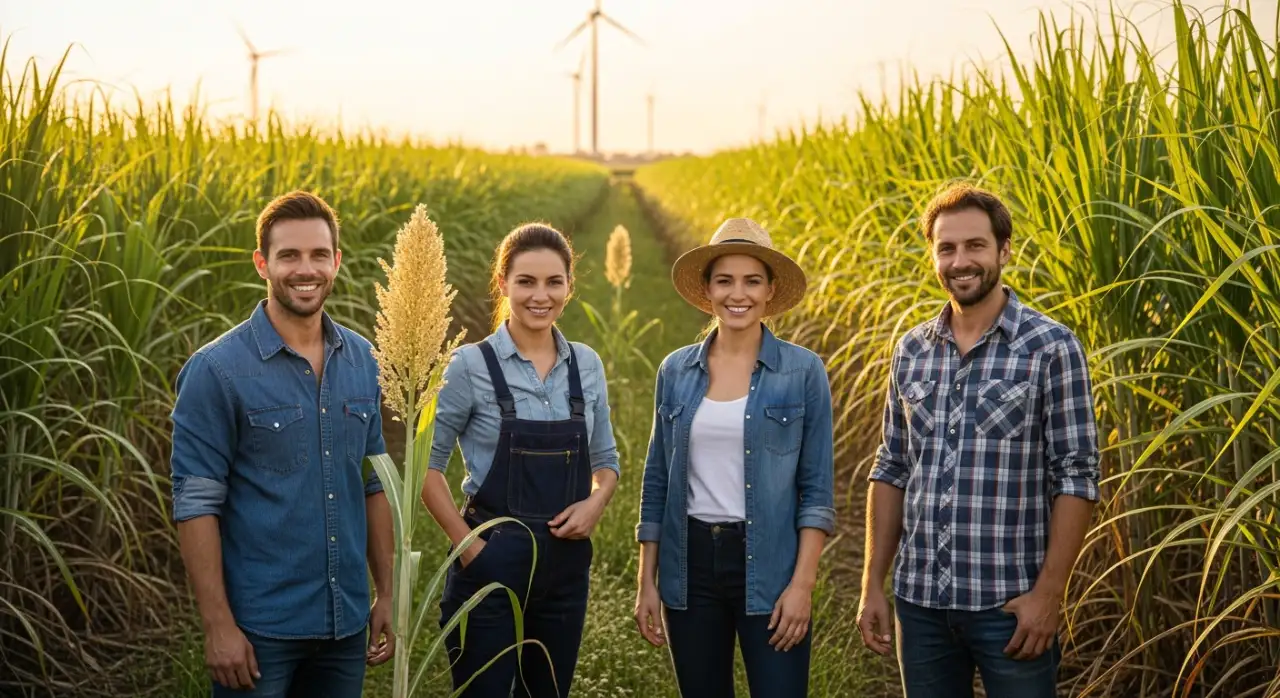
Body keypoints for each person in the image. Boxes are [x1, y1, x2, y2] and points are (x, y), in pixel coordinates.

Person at [856, 183, 1101, 697]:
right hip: (920, 606)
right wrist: (872, 585)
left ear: (1004, 251)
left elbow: (1076, 477)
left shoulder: (1051, 347)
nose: (960, 261)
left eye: (975, 246)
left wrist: (1049, 596)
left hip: (1009, 608)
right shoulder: (912, 350)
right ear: (933, 256)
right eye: (946, 248)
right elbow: (892, 467)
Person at [169, 190, 396, 697]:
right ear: (262, 263)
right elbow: (196, 504)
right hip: (260, 630)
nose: (305, 269)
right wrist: (218, 626)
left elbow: (374, 484)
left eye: (318, 254)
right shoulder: (216, 370)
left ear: (336, 261)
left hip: (346, 622)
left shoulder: (363, 358)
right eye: (288, 255)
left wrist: (386, 594)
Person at [633, 217, 836, 697]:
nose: (737, 293)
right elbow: (657, 478)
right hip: (691, 565)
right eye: (724, 280)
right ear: (707, 290)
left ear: (769, 291)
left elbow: (817, 490)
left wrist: (802, 586)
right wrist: (647, 579)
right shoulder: (675, 371)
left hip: (772, 565)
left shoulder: (803, 372)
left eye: (751, 281)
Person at [420, 222, 620, 698]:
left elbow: (606, 459)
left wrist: (599, 499)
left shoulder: (586, 364)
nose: (540, 295)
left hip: (565, 567)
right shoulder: (470, 365)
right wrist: (470, 548)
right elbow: (426, 468)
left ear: (570, 286)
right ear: (504, 282)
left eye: (554, 282)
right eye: (526, 281)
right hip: (491, 563)